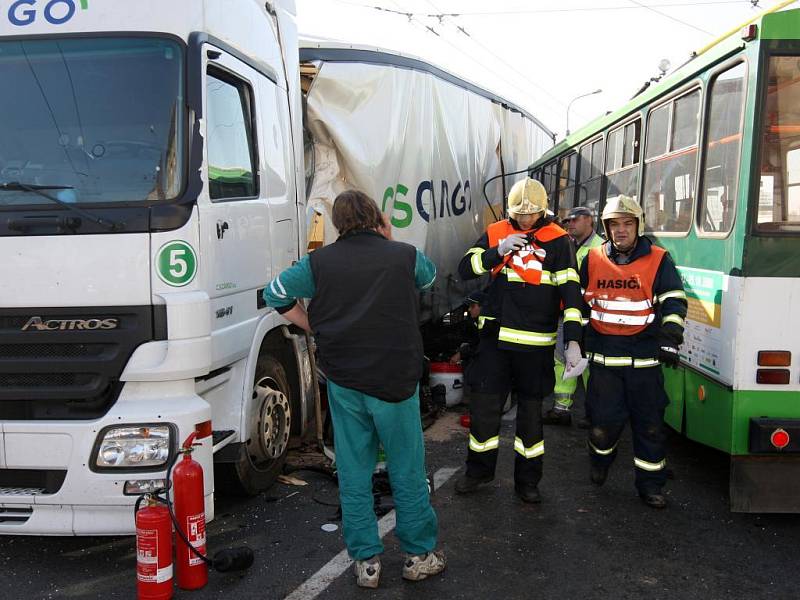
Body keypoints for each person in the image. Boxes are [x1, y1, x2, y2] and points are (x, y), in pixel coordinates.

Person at [263, 190, 445, 588]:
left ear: (338, 223)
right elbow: (429, 277)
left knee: (354, 470)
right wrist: (392, 241)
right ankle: (418, 555)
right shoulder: (404, 255)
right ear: (377, 218)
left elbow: (274, 293)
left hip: (345, 381)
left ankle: (367, 563)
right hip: (395, 381)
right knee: (407, 470)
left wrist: (311, 324)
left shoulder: (319, 262)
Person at [455, 178, 583, 503]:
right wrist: (495, 252)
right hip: (494, 342)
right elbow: (465, 268)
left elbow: (570, 293)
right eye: (520, 215)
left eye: (532, 215)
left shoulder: (559, 240)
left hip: (535, 345)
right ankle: (478, 472)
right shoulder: (497, 231)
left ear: (543, 211)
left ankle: (528, 482)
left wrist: (574, 342)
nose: (525, 220)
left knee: (530, 420)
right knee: (484, 411)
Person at [580, 195, 687, 509]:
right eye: (615, 224)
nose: (621, 230)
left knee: (650, 427)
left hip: (644, 362)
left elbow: (673, 301)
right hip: (604, 363)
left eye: (627, 224)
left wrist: (671, 337)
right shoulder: (593, 258)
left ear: (638, 226)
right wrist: (578, 339)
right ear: (607, 227)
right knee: (602, 427)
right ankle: (600, 461)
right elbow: (580, 303)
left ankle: (651, 486)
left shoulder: (659, 259)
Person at [543, 206, 604, 428]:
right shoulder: (569, 244)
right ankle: (561, 410)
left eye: (574, 220)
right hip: (566, 314)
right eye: (568, 221)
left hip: (590, 317)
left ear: (589, 220)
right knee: (561, 360)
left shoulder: (600, 248)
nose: (569, 224)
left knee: (589, 366)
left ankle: (595, 414)